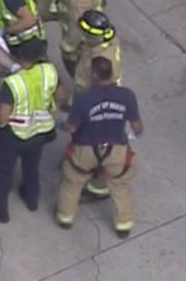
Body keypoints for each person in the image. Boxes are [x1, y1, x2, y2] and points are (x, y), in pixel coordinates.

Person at [0, 39, 64, 223]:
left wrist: (1, 122)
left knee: (2, 171)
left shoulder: (12, 83)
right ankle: (31, 199)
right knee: (32, 166)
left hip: (14, 134)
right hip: (40, 129)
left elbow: (2, 117)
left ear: (19, 56)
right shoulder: (49, 71)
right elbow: (62, 96)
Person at [55, 56, 142, 238]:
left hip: (85, 148)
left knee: (73, 182)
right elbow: (137, 126)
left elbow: (71, 127)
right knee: (119, 184)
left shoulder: (84, 99)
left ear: (94, 75)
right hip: (115, 148)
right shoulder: (127, 95)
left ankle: (65, 217)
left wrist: (59, 125)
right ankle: (123, 223)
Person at [72, 10, 123, 200]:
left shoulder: (102, 58)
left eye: (87, 34)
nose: (83, 36)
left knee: (99, 146)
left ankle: (98, 186)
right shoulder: (103, 44)